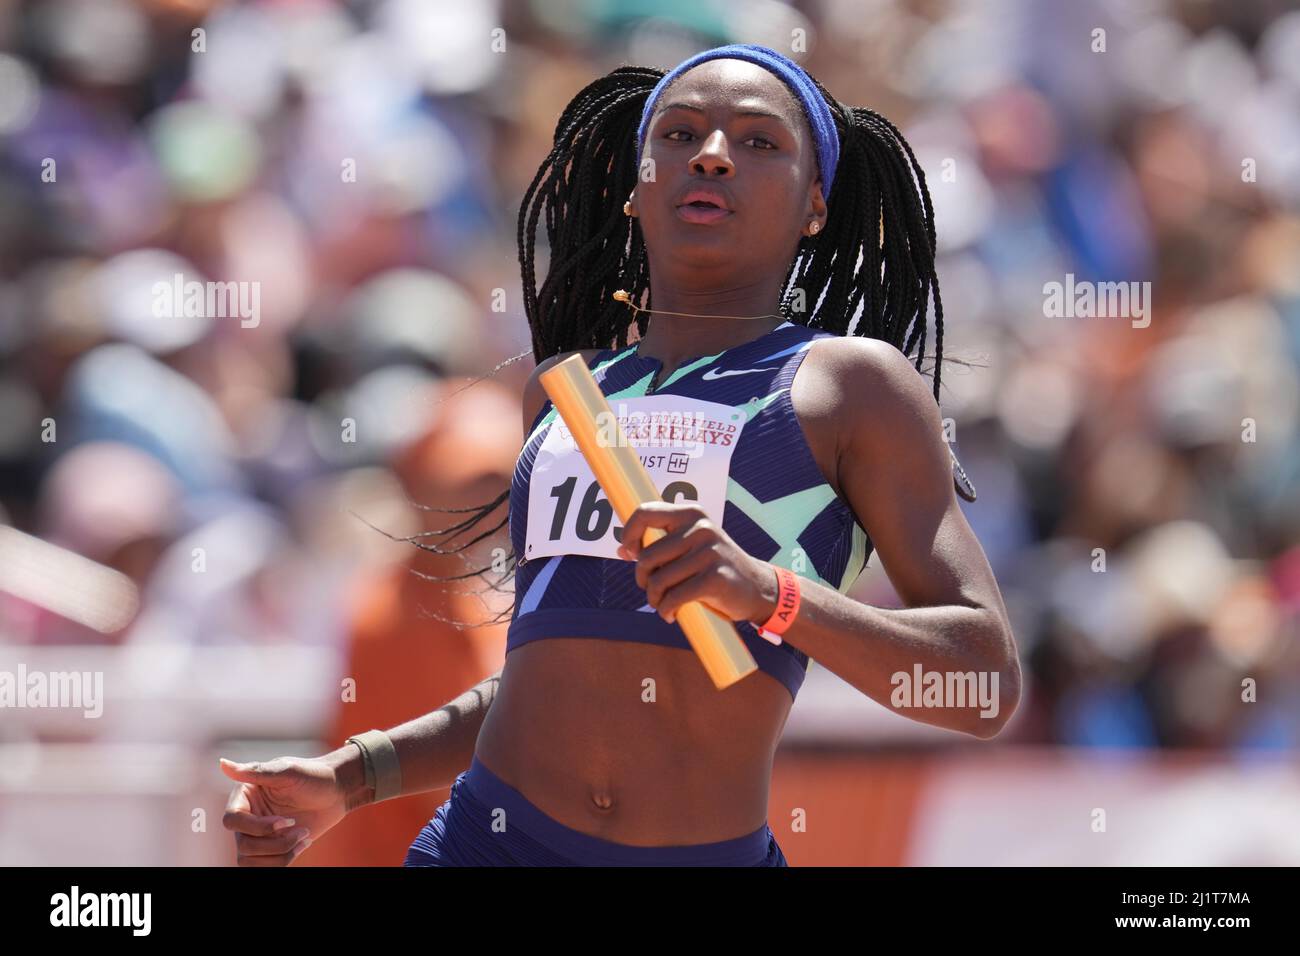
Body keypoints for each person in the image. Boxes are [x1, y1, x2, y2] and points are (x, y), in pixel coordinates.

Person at [221, 43, 1020, 867]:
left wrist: (771, 597)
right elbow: (545, 680)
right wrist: (350, 778)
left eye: (758, 142)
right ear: (637, 189)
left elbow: (984, 686)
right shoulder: (569, 397)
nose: (711, 154)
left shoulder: (848, 387)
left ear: (814, 204)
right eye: (678, 135)